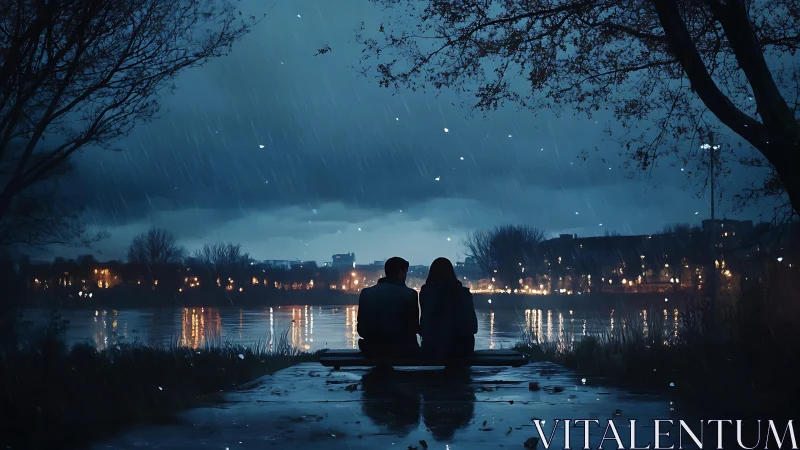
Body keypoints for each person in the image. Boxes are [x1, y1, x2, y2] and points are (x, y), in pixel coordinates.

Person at [356, 256, 420, 357]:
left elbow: (361, 328)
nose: (405, 276)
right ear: (399, 272)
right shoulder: (410, 294)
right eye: (405, 273)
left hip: (372, 348)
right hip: (403, 349)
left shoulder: (366, 293)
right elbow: (413, 327)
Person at [419, 257, 478, 359]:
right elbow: (473, 326)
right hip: (462, 348)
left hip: (434, 347)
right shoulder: (463, 293)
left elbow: (425, 321)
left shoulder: (426, 292)